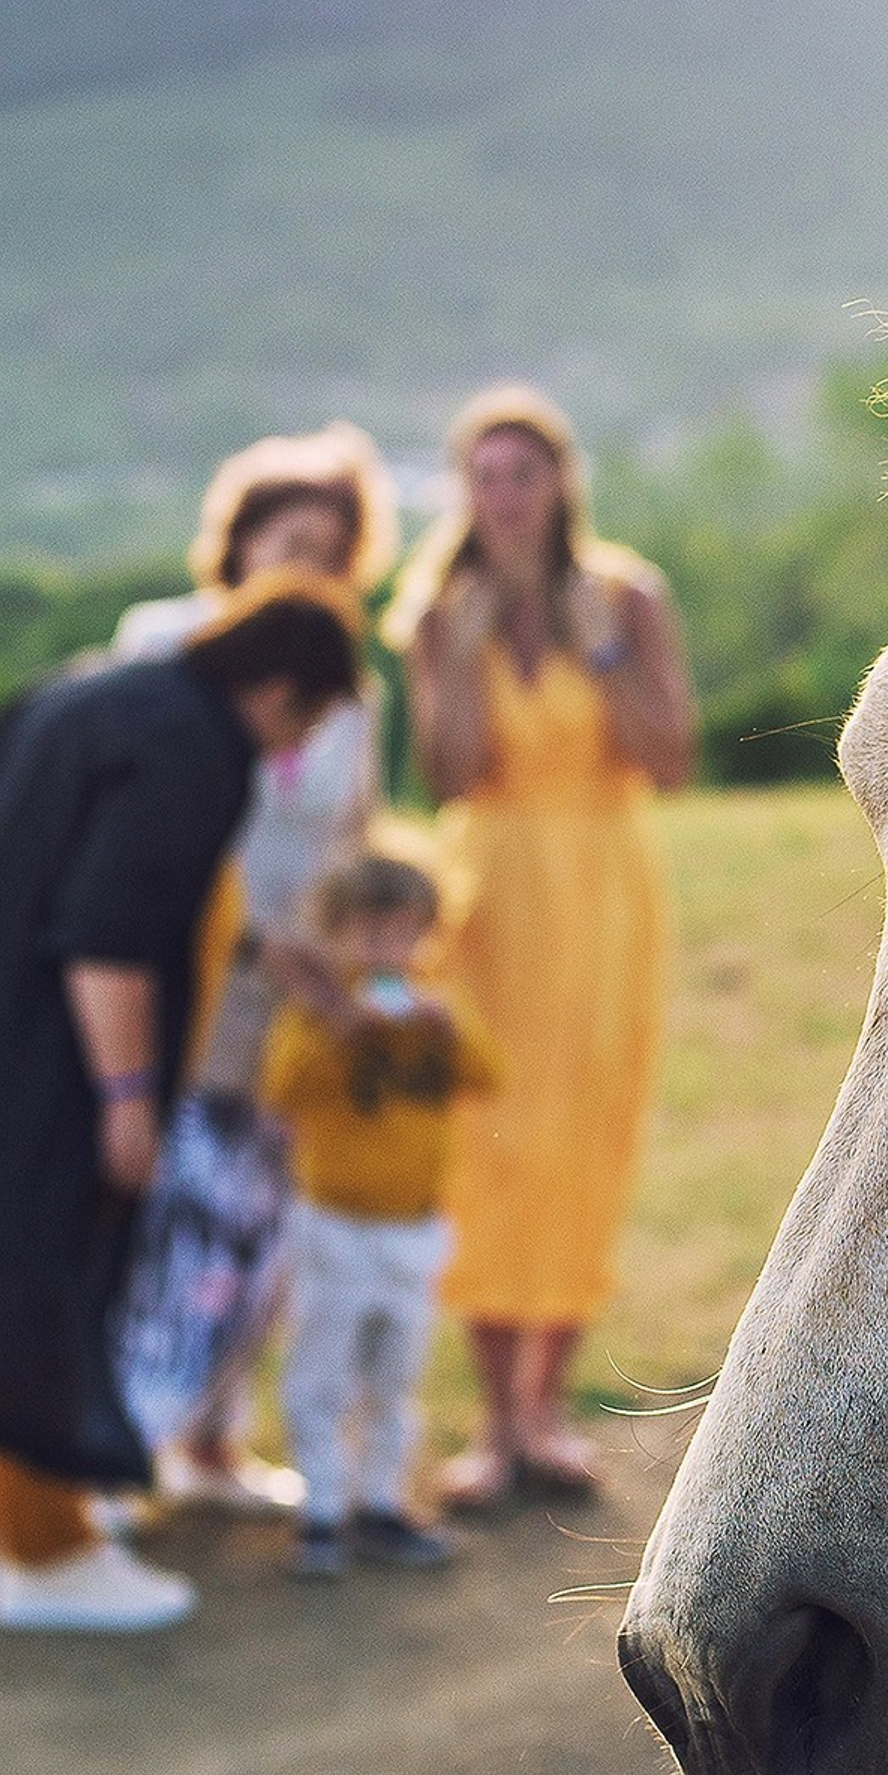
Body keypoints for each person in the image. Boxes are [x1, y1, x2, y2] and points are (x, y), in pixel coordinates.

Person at [0, 577, 363, 1630]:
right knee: (47, 1282)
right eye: (305, 720)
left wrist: (258, 947)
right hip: (53, 1061)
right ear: (281, 690)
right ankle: (51, 1557)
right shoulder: (196, 744)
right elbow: (108, 931)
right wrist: (126, 1098)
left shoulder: (78, 694)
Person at [386, 386, 695, 1508]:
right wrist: (462, 658)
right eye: (482, 476)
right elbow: (452, 772)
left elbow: (667, 759)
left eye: (521, 473)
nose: (502, 497)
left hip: (602, 892)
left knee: (581, 1133)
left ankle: (543, 1413)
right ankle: (492, 1420)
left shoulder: (627, 595)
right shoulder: (437, 611)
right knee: (483, 1138)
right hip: (486, 898)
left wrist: (606, 654)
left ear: (560, 481)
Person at [115, 424, 400, 1511]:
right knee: (162, 1212)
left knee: (259, 1220)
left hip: (295, 994)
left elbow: (354, 844)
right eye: (288, 538)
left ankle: (213, 1445)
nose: (306, 565)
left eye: (330, 550)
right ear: (234, 544)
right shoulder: (162, 641)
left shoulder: (352, 695)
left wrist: (366, 971)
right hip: (173, 974)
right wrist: (241, 928)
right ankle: (116, 1445)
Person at [261, 852, 499, 1578]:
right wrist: (340, 1030)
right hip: (336, 1228)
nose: (387, 953)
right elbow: (282, 1090)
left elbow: (491, 1078)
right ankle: (322, 1512)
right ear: (332, 937)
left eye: (403, 935)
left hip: (413, 1230)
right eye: (368, 936)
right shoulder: (315, 1016)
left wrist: (448, 1029)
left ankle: (383, 1505)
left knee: (396, 1378)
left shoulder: (435, 1009)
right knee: (321, 1377)